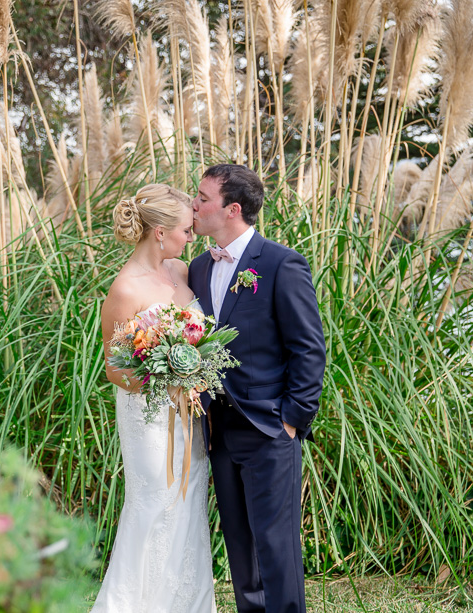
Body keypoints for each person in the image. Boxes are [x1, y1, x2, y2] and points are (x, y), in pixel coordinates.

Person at [188, 164, 326, 613]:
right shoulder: (196, 268)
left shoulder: (281, 263)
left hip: (269, 429)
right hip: (219, 431)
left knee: (276, 547)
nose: (194, 204)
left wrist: (292, 420)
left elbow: (308, 348)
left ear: (231, 210)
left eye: (202, 197)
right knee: (240, 549)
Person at [94, 184, 217, 613]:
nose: (193, 234)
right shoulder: (125, 289)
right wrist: (163, 377)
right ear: (160, 232)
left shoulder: (183, 271)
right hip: (148, 418)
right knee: (155, 505)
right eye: (187, 228)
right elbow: (114, 368)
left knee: (188, 504)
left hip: (189, 416)